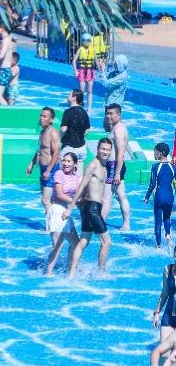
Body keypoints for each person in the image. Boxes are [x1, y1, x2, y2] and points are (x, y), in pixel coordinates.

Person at [67, 139, 112, 276]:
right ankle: (101, 272)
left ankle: (71, 272)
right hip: (92, 208)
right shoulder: (93, 165)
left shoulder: (104, 167)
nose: (105, 152)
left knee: (84, 241)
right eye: (103, 149)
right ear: (97, 149)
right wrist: (71, 207)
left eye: (107, 149)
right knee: (106, 242)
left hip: (91, 207)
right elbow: (82, 186)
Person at [43, 152, 82, 274]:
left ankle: (69, 267)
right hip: (57, 211)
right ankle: (48, 272)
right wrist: (76, 202)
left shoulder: (75, 176)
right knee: (58, 246)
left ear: (75, 164)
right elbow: (59, 195)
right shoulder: (59, 174)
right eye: (64, 160)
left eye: (69, 161)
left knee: (76, 244)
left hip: (66, 212)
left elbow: (78, 194)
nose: (65, 163)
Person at [27, 108, 61, 221]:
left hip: (51, 169)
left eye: (45, 116)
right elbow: (39, 150)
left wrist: (48, 170)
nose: (41, 118)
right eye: (41, 116)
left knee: (45, 200)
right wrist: (32, 163)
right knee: (48, 200)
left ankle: (51, 226)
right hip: (43, 169)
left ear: (51, 119)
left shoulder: (53, 133)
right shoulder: (42, 132)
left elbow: (56, 153)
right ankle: (52, 224)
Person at [103, 102, 132, 232]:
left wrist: (117, 173)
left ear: (119, 115)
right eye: (107, 113)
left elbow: (120, 153)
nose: (108, 116)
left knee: (107, 197)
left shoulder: (119, 130)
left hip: (114, 167)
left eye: (111, 114)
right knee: (120, 195)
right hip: (115, 166)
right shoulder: (119, 126)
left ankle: (101, 222)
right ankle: (126, 224)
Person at [147, 142, 176, 251]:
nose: (154, 154)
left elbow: (152, 184)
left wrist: (147, 197)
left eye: (155, 152)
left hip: (159, 196)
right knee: (167, 218)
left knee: (158, 222)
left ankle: (158, 245)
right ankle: (168, 235)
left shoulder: (155, 166)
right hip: (169, 196)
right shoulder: (173, 167)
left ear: (161, 153)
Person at [59, 89, 91, 169]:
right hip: (81, 148)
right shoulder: (84, 112)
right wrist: (80, 136)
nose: (67, 96)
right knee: (79, 173)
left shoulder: (68, 112)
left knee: (64, 172)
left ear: (74, 98)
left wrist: (58, 140)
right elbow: (88, 129)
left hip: (69, 148)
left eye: (69, 94)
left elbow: (63, 129)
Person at [73, 32, 97, 111]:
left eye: (88, 40)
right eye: (84, 40)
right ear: (82, 41)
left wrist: (100, 72)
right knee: (81, 91)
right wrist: (75, 71)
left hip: (90, 71)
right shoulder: (80, 49)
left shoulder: (93, 49)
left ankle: (89, 107)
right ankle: (81, 105)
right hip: (82, 71)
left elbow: (96, 61)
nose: (86, 42)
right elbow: (74, 61)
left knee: (90, 91)